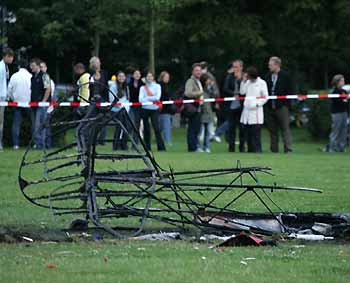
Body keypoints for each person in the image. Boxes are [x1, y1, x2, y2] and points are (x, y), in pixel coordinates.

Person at [264, 56, 293, 153]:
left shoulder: (286, 76)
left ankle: (288, 149)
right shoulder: (267, 76)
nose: (269, 67)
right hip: (269, 107)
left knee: (285, 128)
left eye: (271, 65)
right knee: (272, 130)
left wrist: (287, 105)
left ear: (277, 65)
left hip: (282, 107)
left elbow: (290, 91)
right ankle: (274, 149)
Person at [240, 67, 268, 152]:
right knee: (247, 133)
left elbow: (265, 97)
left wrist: (257, 104)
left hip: (256, 111)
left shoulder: (262, 83)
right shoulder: (247, 82)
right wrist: (243, 81)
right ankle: (250, 150)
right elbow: (242, 92)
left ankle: (257, 151)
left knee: (256, 134)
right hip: (247, 111)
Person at [7, 59, 32, 149]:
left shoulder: (14, 76)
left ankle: (16, 144)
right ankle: (33, 143)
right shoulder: (30, 76)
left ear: (18, 66)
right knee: (32, 123)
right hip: (29, 103)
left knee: (16, 124)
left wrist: (13, 99)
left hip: (17, 103)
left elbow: (9, 90)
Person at [139, 71, 166, 151]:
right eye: (148, 76)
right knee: (146, 129)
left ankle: (161, 147)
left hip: (154, 109)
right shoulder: (142, 88)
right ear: (146, 78)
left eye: (151, 76)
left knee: (157, 128)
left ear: (153, 77)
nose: (149, 78)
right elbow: (140, 100)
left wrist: (146, 98)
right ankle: (147, 147)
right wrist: (151, 98)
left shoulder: (157, 86)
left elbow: (157, 97)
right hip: (145, 109)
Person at [222, 59, 245, 152]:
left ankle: (242, 147)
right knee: (231, 127)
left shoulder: (244, 77)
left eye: (236, 67)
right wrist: (234, 93)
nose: (234, 69)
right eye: (233, 67)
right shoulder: (229, 77)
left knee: (242, 128)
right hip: (231, 105)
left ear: (241, 67)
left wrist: (240, 80)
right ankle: (231, 148)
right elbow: (225, 88)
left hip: (242, 106)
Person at [30, 58, 51, 150]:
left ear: (38, 66)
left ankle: (41, 144)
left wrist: (43, 101)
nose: (31, 67)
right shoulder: (33, 77)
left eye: (33, 65)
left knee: (40, 125)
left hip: (42, 105)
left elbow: (48, 89)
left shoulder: (45, 76)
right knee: (37, 125)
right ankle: (39, 143)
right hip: (35, 104)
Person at [324, 74, 349, 152]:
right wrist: (345, 100)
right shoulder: (334, 91)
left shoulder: (344, 91)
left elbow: (346, 102)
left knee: (343, 131)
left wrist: (346, 100)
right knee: (336, 130)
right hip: (336, 113)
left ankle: (341, 147)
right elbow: (338, 101)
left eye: (343, 80)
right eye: (342, 80)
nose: (343, 82)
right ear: (337, 82)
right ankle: (332, 147)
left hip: (344, 113)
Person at [89, 56, 109, 144]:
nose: (98, 64)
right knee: (92, 120)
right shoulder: (89, 74)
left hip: (103, 99)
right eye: (96, 62)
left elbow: (106, 88)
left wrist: (107, 101)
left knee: (103, 119)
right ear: (92, 64)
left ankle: (102, 140)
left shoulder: (104, 73)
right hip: (92, 100)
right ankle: (93, 139)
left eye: (98, 62)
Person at [184, 63, 204, 152]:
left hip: (198, 108)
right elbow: (188, 93)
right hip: (193, 108)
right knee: (193, 129)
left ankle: (195, 146)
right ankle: (192, 148)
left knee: (197, 129)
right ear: (192, 71)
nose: (198, 72)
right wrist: (199, 93)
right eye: (196, 70)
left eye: (200, 70)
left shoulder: (198, 81)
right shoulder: (190, 81)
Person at [0, 47, 14, 151]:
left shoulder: (5, 67)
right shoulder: (1, 68)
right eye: (11, 57)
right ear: (6, 56)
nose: (12, 59)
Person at [112, 71, 130, 150]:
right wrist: (120, 105)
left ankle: (124, 145)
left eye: (123, 76)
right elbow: (112, 99)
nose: (121, 78)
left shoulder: (126, 86)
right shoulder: (113, 86)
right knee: (119, 127)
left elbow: (127, 99)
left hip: (125, 109)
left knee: (126, 127)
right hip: (116, 110)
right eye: (120, 76)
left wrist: (125, 106)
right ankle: (116, 145)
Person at [199, 73, 216, 152]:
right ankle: (199, 146)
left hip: (209, 112)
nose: (209, 81)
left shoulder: (209, 89)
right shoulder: (200, 89)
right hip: (202, 112)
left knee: (208, 132)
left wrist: (212, 87)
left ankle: (207, 147)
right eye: (208, 80)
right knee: (200, 131)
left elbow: (215, 95)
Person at [39, 61, 54, 148]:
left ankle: (45, 144)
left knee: (45, 125)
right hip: (47, 104)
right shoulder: (44, 77)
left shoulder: (46, 77)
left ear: (46, 68)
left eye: (43, 67)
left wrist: (43, 101)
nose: (41, 68)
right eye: (40, 67)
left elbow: (49, 91)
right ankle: (47, 144)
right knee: (46, 125)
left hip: (47, 104)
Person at [158, 71, 173, 146]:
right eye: (166, 77)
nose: (167, 79)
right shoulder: (159, 86)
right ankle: (166, 141)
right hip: (161, 109)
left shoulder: (168, 86)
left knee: (165, 126)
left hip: (167, 109)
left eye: (168, 77)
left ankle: (166, 140)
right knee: (162, 126)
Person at [128, 69, 144, 141]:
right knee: (130, 123)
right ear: (133, 75)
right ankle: (124, 141)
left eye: (138, 74)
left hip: (139, 107)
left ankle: (135, 142)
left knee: (137, 125)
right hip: (131, 106)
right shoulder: (129, 84)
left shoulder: (143, 84)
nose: (137, 75)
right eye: (135, 74)